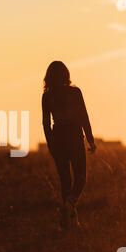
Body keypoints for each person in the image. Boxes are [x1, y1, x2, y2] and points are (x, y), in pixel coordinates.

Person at [41, 61, 96, 227]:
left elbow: (45, 123)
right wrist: (90, 139)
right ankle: (70, 205)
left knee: (65, 180)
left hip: (58, 138)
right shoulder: (75, 92)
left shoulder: (47, 96)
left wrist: (50, 144)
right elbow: (83, 117)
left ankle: (68, 220)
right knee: (80, 178)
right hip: (74, 137)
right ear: (66, 74)